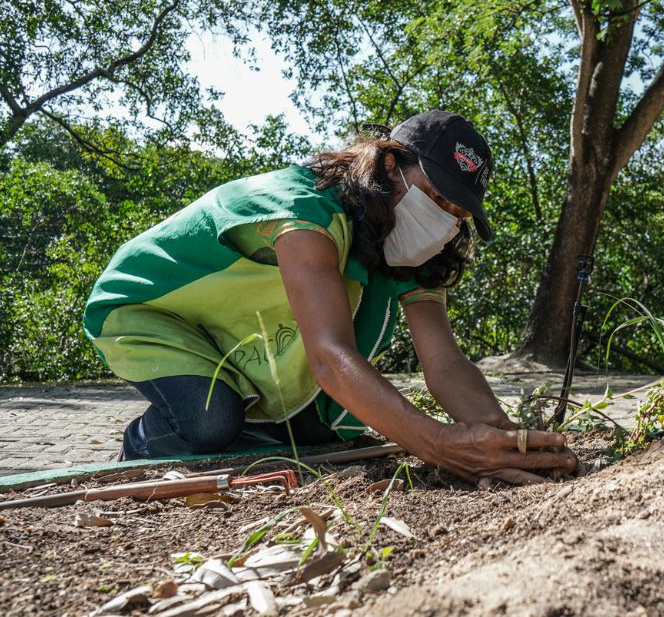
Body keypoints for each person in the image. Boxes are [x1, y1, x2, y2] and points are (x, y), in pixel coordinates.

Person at [82, 110, 578, 486]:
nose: (445, 218)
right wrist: (440, 445)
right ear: (390, 165)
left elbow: (444, 363)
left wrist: (504, 439)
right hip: (154, 306)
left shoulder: (409, 251)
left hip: (232, 329)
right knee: (212, 422)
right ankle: (144, 442)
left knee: (319, 431)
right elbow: (329, 359)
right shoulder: (306, 211)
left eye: (457, 210)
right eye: (437, 194)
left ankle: (243, 430)